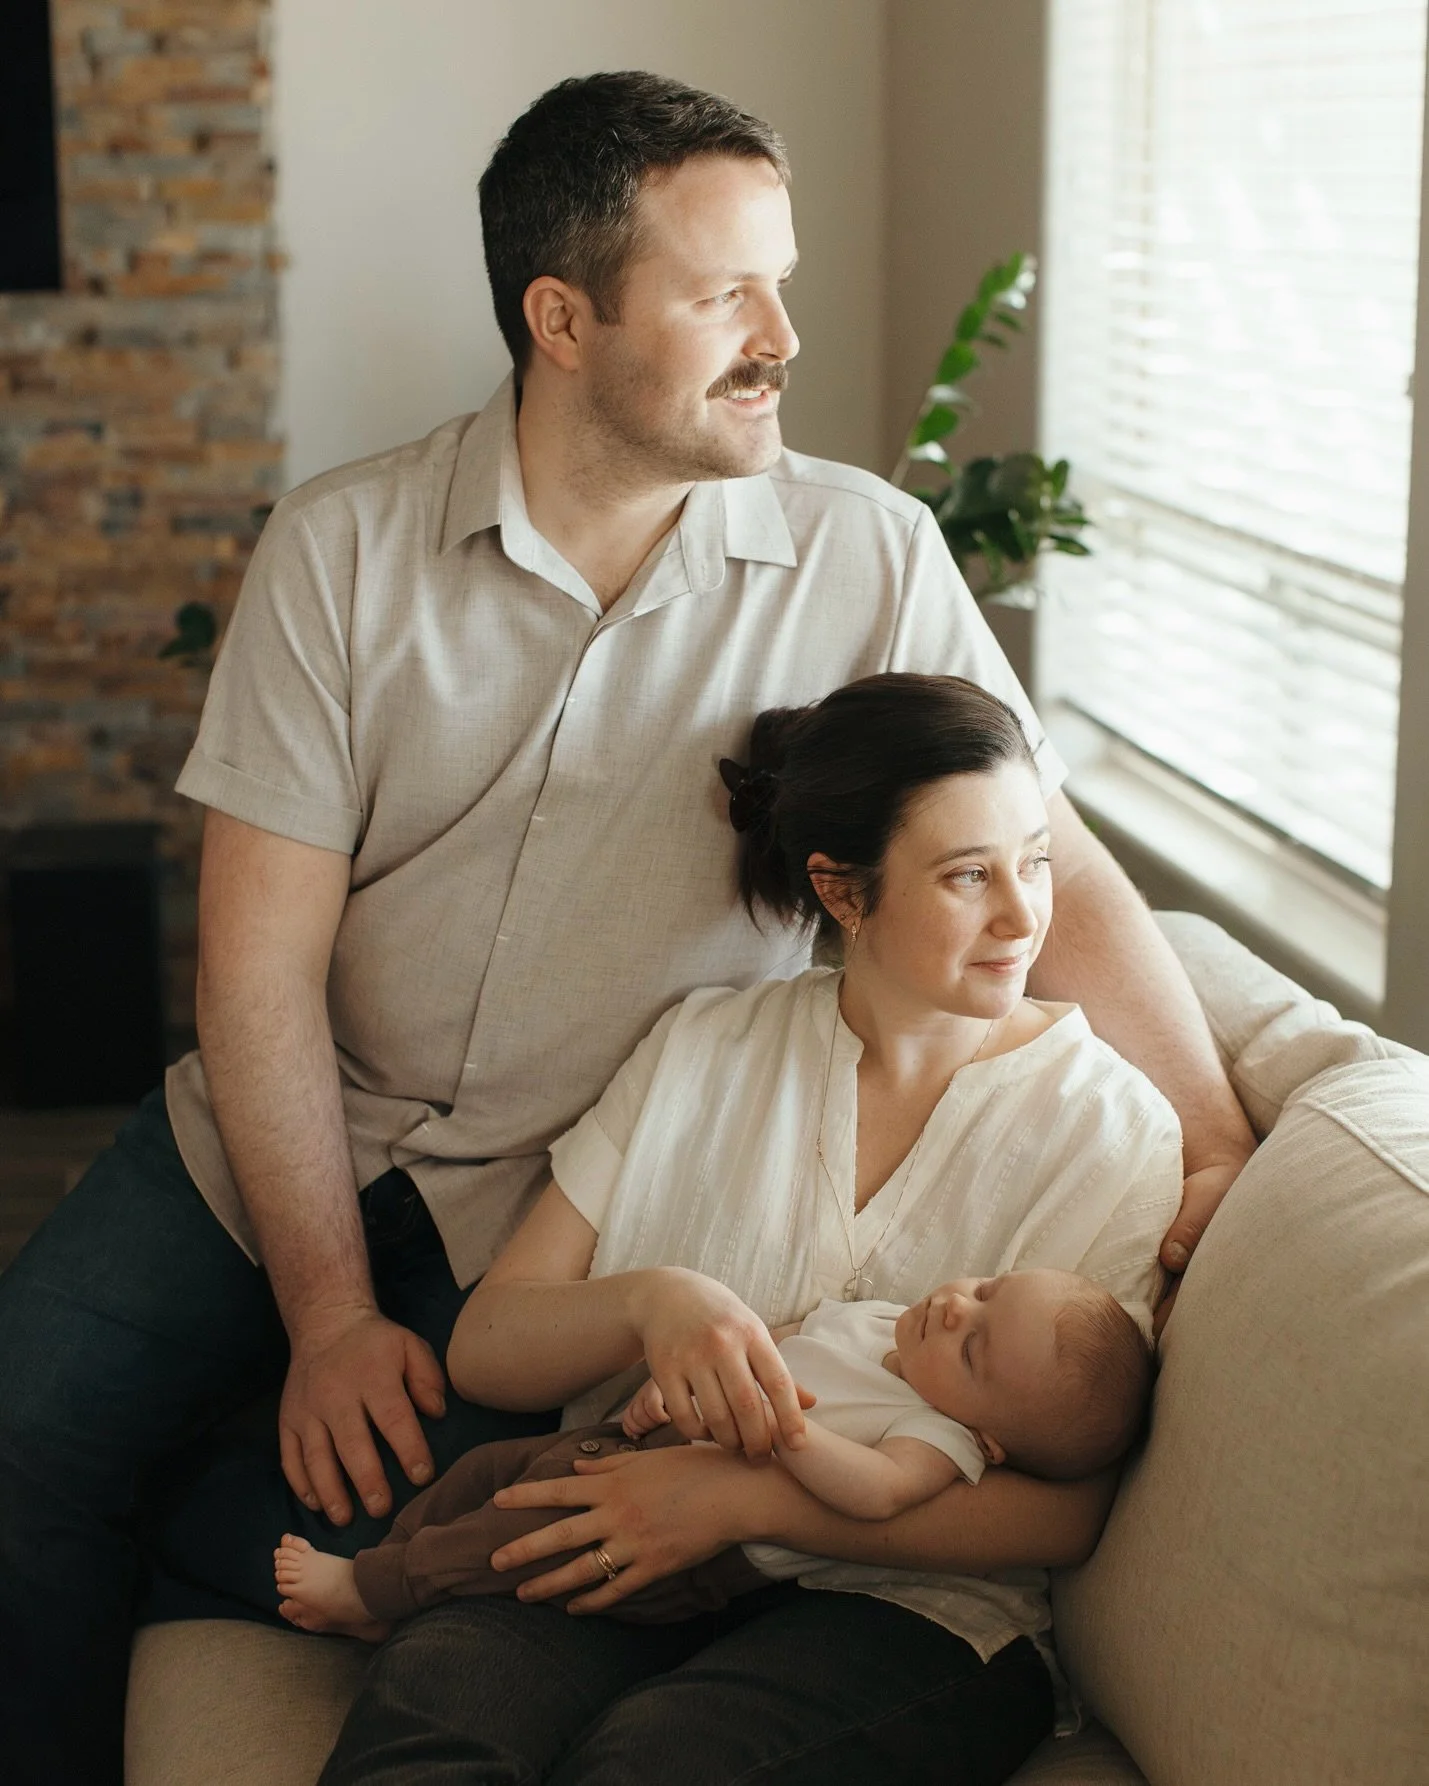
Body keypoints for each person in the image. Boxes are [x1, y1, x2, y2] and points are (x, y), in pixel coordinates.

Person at [0, 72, 1253, 1786]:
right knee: (19, 1433)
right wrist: (323, 1314)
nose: (782, 334)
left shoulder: (864, 556)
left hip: (531, 1198)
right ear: (561, 317)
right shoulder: (340, 551)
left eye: (782, 280)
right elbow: (257, 970)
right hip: (275, 1132)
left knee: (346, 1529)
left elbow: (1047, 856)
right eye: (723, 289)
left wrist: (1198, 1147)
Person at [315, 672, 1184, 1784]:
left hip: (906, 1609)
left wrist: (735, 1497)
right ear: (843, 892)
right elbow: (489, 1345)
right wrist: (651, 1299)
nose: (1023, 916)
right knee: (430, 1729)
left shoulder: (1109, 1131)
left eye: (1034, 860)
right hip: (613, 1524)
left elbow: (1065, 1513)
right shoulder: (705, 1049)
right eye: (969, 875)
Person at [271, 1266, 1154, 1639]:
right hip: (636, 1442)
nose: (958, 1310)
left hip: (691, 1549)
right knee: (484, 1474)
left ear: (991, 1436)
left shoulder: (941, 1436)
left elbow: (878, 1494)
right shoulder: (884, 1321)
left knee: (504, 1536)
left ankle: (370, 1589)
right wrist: (675, 1388)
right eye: (988, 1290)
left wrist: (790, 1435)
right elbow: (768, 1347)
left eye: (974, 1351)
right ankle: (390, 1578)